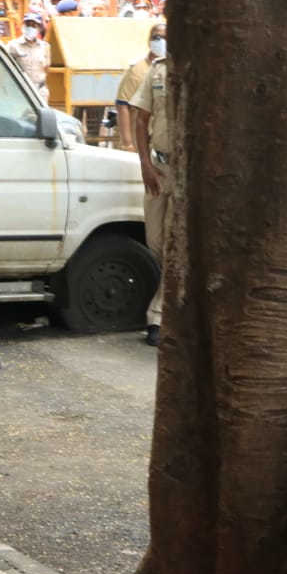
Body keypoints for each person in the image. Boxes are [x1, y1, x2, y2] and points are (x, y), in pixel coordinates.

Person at [128, 34, 170, 347]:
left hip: (188, 171)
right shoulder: (158, 71)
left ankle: (158, 316)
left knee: (176, 244)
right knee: (156, 243)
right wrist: (144, 163)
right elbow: (141, 119)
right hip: (159, 166)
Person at [114, 23, 166, 151]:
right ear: (149, 41)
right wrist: (127, 143)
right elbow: (122, 105)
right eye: (156, 37)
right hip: (138, 141)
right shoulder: (138, 70)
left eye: (164, 37)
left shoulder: (169, 68)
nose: (160, 41)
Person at [6, 13, 51, 104]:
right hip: (20, 91)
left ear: (39, 28)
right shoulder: (13, 46)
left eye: (34, 25)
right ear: (23, 26)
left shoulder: (45, 47)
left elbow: (46, 67)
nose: (30, 28)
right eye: (28, 24)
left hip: (40, 90)